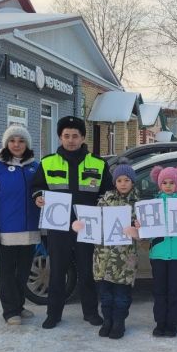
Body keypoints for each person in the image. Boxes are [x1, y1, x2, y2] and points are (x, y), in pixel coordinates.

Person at [31, 116, 112, 329]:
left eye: (75, 136)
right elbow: (36, 187)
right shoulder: (48, 162)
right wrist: (38, 196)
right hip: (59, 227)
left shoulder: (98, 164)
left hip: (88, 226)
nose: (71, 140)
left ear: (83, 137)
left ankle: (91, 312)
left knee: (87, 271)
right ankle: (53, 314)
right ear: (60, 137)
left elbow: (108, 193)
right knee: (58, 271)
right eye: (66, 136)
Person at [0, 125, 40, 325]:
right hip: (6, 232)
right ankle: (10, 311)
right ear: (6, 143)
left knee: (23, 272)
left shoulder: (35, 167)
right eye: (12, 140)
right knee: (7, 272)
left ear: (27, 144)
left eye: (21, 141)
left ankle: (19, 305)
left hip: (31, 230)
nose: (16, 144)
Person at [92, 158, 140, 339]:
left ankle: (119, 322)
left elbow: (145, 232)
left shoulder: (137, 203)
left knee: (121, 295)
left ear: (132, 182)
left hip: (125, 259)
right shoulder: (104, 200)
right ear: (114, 182)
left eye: (127, 180)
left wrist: (136, 231)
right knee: (105, 295)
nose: (123, 184)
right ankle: (107, 320)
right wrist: (82, 226)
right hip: (103, 257)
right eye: (119, 180)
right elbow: (94, 223)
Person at [146, 164, 177, 338]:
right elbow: (145, 229)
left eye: (172, 182)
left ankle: (172, 323)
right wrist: (141, 225)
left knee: (175, 290)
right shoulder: (153, 204)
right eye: (165, 182)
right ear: (159, 184)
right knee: (159, 290)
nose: (169, 185)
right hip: (158, 253)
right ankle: (160, 323)